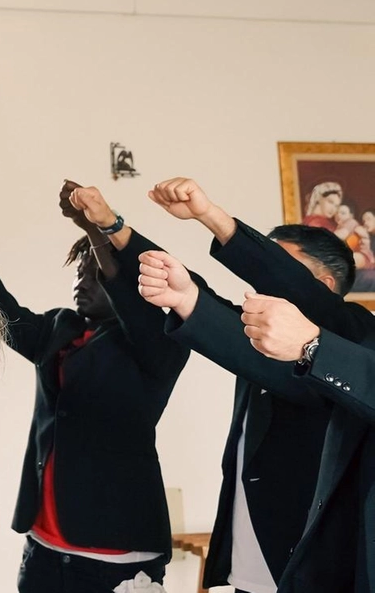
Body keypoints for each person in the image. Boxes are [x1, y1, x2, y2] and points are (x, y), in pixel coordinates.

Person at [0, 178, 189, 592]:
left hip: (115, 552)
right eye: (79, 272)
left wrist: (93, 227)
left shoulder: (159, 344)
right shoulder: (60, 328)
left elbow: (123, 283)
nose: (81, 281)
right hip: (43, 545)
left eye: (94, 275)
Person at [143, 177, 347, 592]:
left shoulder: (347, 353)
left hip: (309, 570)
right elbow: (219, 319)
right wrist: (206, 219)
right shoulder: (260, 333)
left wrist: (187, 298)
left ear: (323, 287)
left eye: (279, 269)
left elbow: (267, 360)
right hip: (249, 567)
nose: (262, 282)